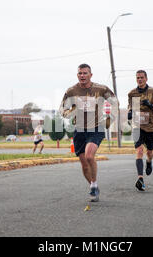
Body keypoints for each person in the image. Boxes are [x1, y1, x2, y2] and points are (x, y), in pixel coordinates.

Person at [59, 63, 116, 202]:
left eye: (85, 73)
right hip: (79, 129)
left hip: (96, 128)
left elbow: (114, 101)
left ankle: (94, 183)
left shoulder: (101, 89)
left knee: (90, 156)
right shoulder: (71, 91)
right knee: (84, 164)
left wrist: (110, 117)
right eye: (80, 73)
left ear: (91, 75)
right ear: (77, 75)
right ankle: (93, 186)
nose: (82, 76)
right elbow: (62, 109)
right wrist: (70, 112)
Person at [127, 70, 153, 191]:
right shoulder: (132, 93)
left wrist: (151, 105)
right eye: (138, 78)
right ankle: (140, 179)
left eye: (142, 77)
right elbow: (130, 107)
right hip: (137, 126)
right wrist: (130, 113)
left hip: (151, 126)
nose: (140, 80)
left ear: (146, 79)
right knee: (139, 150)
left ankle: (149, 162)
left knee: (149, 152)